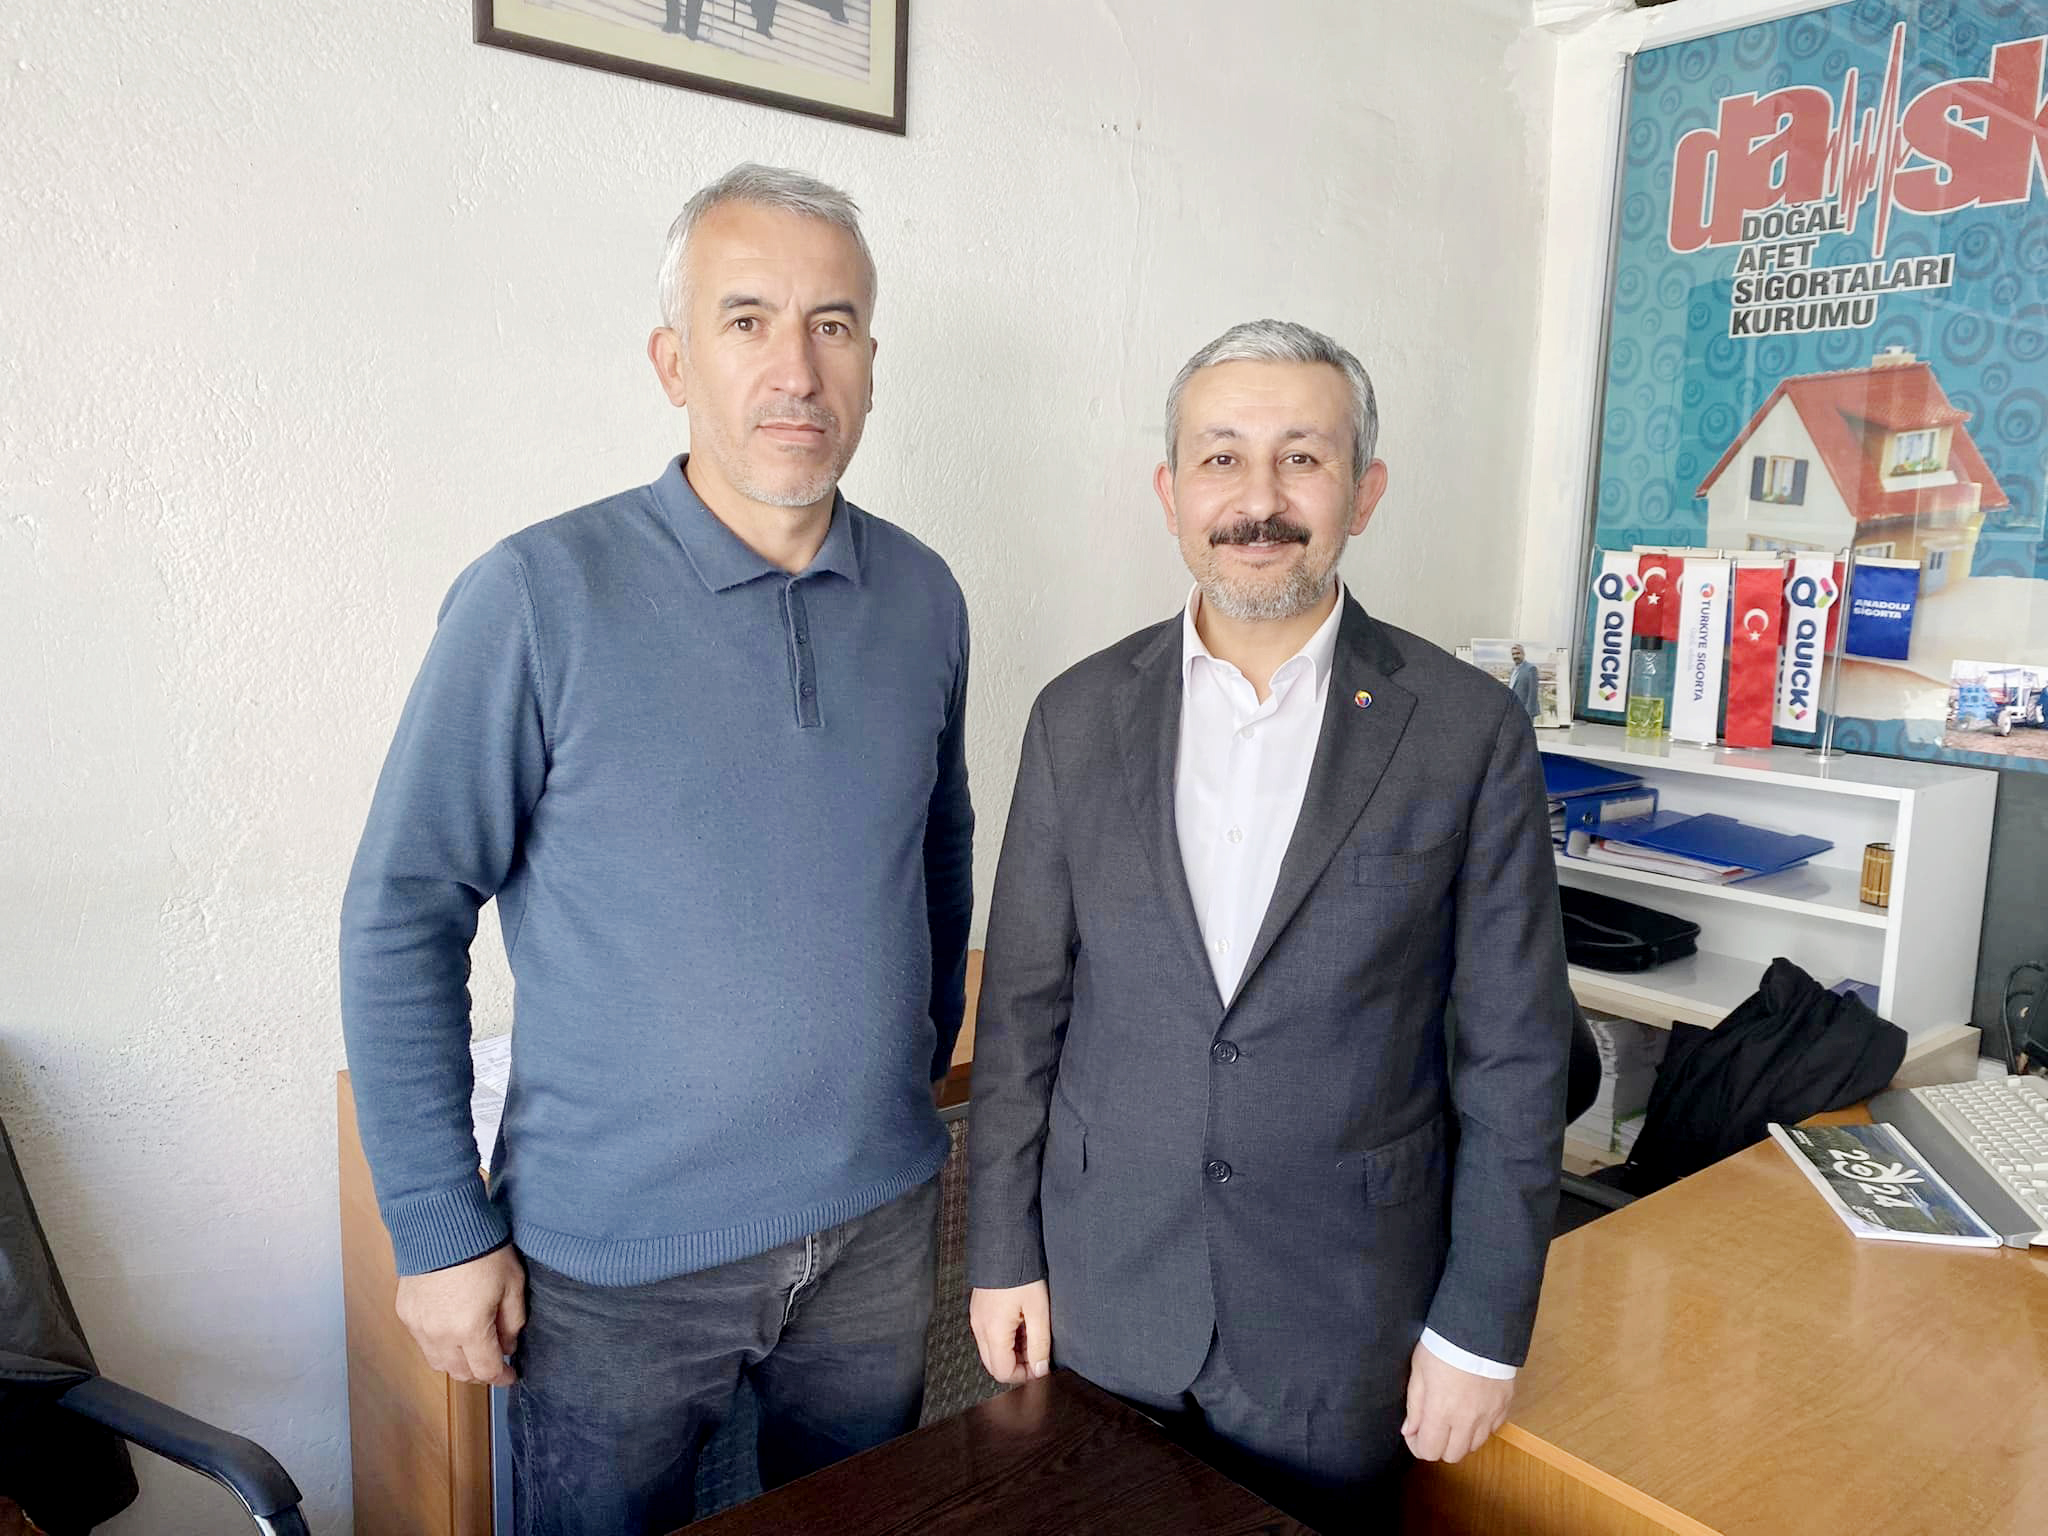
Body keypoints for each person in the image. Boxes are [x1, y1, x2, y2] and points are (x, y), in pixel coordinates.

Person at [340, 164, 973, 1536]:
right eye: (747, 320)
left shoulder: (925, 594)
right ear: (673, 360)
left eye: (833, 325)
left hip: (876, 1223)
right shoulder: (537, 594)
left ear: (871, 363)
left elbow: (936, 847)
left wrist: (900, 1074)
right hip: (617, 1266)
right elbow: (404, 907)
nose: (796, 369)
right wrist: (438, 1226)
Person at [965, 320, 1571, 1532]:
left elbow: (1513, 1053)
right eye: (1220, 458)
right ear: (1169, 493)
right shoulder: (1075, 716)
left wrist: (1480, 1330)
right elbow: (1023, 1011)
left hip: (1345, 1318)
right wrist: (999, 1253)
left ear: (1364, 491)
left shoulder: (1464, 731)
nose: (1257, 500)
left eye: (1301, 457)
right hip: (1104, 1293)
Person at [1508, 643, 1543, 720]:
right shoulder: (1513, 669)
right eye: (1513, 654)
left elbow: (1533, 692)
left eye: (1518, 653)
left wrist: (1528, 713)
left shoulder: (1531, 668)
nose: (1515, 656)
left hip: (1525, 710)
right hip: (1514, 708)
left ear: (1523, 654)